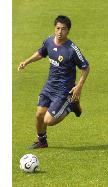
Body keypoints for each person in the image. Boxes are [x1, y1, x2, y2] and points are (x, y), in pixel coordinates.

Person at [18, 15, 90, 149]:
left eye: (63, 29)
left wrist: (79, 86)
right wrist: (26, 62)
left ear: (68, 30)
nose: (59, 32)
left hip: (63, 90)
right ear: (54, 28)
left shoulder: (72, 50)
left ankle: (71, 105)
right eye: (58, 28)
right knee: (39, 115)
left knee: (48, 120)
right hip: (49, 86)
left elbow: (86, 68)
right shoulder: (49, 41)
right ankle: (42, 142)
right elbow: (41, 53)